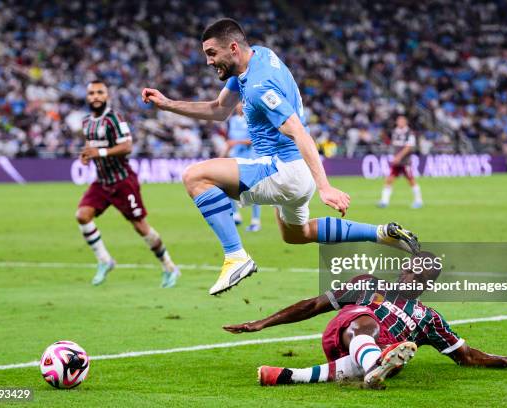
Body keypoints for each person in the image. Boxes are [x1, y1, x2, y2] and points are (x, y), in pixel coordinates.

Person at [142, 18, 420, 296]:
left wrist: (325, 187)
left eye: (212, 53)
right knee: (297, 234)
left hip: (283, 169)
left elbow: (299, 132)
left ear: (234, 48)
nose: (208, 62)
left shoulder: (259, 87)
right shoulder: (260, 56)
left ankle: (235, 256)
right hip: (296, 175)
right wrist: (167, 104)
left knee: (195, 176)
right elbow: (218, 109)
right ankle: (381, 233)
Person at [224, 253, 507, 389]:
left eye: (421, 274)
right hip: (346, 332)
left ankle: (287, 376)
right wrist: (262, 323)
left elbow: (466, 355)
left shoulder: (429, 319)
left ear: (428, 284)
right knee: (366, 322)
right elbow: (313, 305)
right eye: (410, 268)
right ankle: (376, 362)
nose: (411, 274)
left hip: (363, 355)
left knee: (400, 356)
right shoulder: (369, 284)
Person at [76, 79, 180, 287]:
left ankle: (169, 267)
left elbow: (127, 146)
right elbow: (91, 145)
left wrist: (100, 152)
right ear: (87, 97)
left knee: (141, 227)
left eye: (100, 92)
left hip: (123, 182)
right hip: (102, 182)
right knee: (82, 215)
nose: (95, 97)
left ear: (106, 96)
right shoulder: (86, 121)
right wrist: (87, 154)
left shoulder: (114, 118)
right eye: (92, 93)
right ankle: (105, 260)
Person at [224, 103, 261, 232]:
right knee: (228, 185)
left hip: (249, 158)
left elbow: (254, 140)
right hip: (235, 157)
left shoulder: (252, 120)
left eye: (242, 104)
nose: (239, 107)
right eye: (238, 104)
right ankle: (236, 215)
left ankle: (255, 221)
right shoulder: (232, 121)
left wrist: (236, 142)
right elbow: (229, 139)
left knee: (252, 189)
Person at [378, 115, 423, 209]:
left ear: (405, 122)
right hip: (396, 162)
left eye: (401, 121)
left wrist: (398, 156)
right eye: (398, 121)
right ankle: (384, 201)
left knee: (411, 180)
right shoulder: (395, 131)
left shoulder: (409, 133)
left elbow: (409, 147)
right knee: (389, 179)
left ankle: (419, 201)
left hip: (405, 161)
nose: (399, 122)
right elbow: (392, 143)